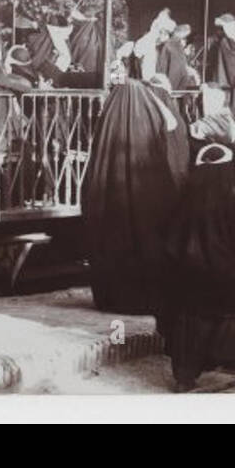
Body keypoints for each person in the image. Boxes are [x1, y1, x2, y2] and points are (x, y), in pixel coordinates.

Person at [82, 78, 189, 313]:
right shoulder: (149, 120)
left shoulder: (109, 121)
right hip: (146, 197)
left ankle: (115, 297)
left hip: (112, 199)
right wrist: (152, 98)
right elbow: (171, 123)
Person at [156, 142, 235, 392]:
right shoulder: (230, 201)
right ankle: (231, 359)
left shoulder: (185, 197)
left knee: (190, 322)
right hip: (222, 276)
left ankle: (185, 377)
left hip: (188, 275)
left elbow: (169, 239)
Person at [156, 23, 199, 91]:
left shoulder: (170, 45)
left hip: (171, 84)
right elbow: (176, 70)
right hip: (175, 86)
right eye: (185, 39)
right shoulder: (173, 46)